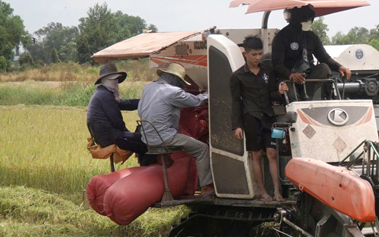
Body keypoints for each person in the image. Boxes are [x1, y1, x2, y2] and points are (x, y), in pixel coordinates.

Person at [138, 63, 214, 195]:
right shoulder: (172, 92)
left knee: (171, 145)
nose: (181, 86)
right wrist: (210, 93)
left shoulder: (148, 87)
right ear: (174, 79)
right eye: (180, 82)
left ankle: (168, 171)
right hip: (164, 138)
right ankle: (206, 188)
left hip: (147, 137)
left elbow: (140, 109)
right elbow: (196, 101)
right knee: (202, 149)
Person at [231, 36, 288, 201]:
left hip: (269, 117)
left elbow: (272, 94)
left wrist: (280, 92)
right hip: (251, 119)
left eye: (260, 54)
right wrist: (237, 126)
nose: (258, 58)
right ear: (245, 54)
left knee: (272, 153)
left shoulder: (267, 71)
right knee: (257, 155)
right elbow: (236, 102)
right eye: (254, 54)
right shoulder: (237, 77)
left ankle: (277, 192)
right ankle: (263, 192)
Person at [271, 5, 352, 100]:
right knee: (291, 97)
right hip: (288, 77)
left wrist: (339, 67)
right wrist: (290, 75)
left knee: (324, 68)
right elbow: (277, 64)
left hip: (308, 77)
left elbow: (324, 58)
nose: (308, 22)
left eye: (310, 19)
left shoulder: (312, 37)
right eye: (305, 19)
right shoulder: (281, 37)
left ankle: (306, 97)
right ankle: (297, 100)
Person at [87, 63, 150, 163]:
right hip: (109, 137)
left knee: (140, 138)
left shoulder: (103, 93)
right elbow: (117, 121)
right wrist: (129, 134)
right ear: (106, 81)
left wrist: (145, 101)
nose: (115, 83)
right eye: (113, 80)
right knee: (146, 140)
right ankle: (149, 169)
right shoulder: (105, 95)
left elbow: (124, 104)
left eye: (116, 80)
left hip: (106, 136)